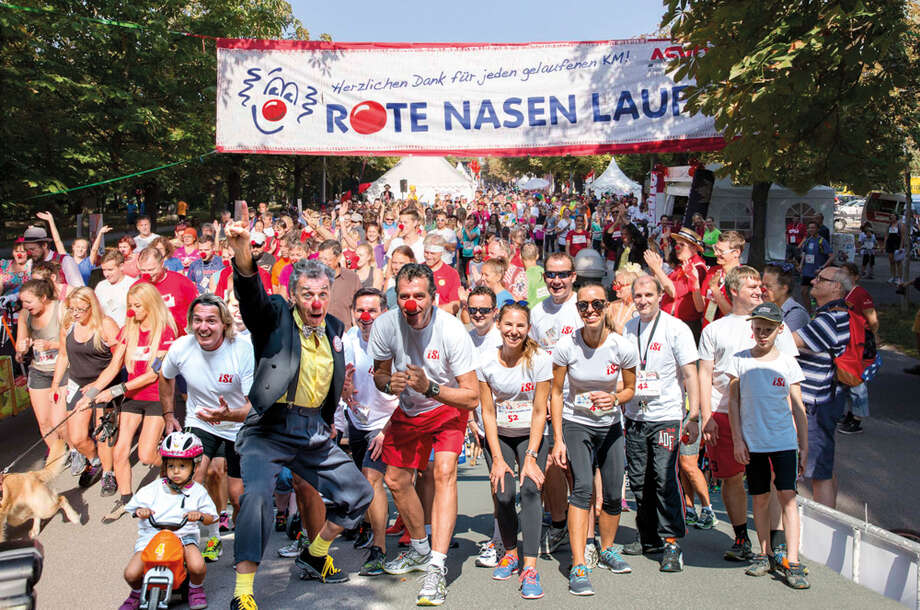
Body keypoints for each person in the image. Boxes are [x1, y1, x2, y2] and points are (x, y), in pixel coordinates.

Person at [226, 222, 372, 609]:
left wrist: (335, 397)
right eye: (307, 294)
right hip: (270, 429)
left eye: (323, 293)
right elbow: (250, 295)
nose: (316, 301)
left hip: (312, 431)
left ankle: (315, 551)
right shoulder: (275, 316)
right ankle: (242, 594)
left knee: (358, 494)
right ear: (294, 296)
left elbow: (328, 373)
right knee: (256, 498)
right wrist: (244, 255)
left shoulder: (336, 328)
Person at [369, 263, 478, 606]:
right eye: (404, 296)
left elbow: (471, 395)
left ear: (433, 297)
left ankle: (437, 566)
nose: (411, 303)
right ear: (396, 297)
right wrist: (389, 383)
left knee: (444, 473)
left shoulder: (451, 331)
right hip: (410, 409)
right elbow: (380, 375)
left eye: (419, 295)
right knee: (396, 480)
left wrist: (430, 387)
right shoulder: (386, 325)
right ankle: (419, 547)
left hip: (446, 407)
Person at [698, 266, 799, 561]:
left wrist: (792, 420)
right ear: (733, 291)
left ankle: (775, 543)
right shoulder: (714, 329)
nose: (759, 291)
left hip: (769, 418)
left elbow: (791, 378)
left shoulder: (777, 325)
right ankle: (742, 537)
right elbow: (704, 374)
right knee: (731, 478)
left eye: (760, 286)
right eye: (752, 287)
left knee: (772, 484)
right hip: (724, 412)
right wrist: (705, 416)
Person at [550, 280, 638, 595]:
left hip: (611, 425)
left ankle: (608, 549)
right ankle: (578, 565)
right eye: (584, 305)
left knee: (613, 493)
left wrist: (615, 399)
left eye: (597, 304)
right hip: (577, 424)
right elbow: (556, 392)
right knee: (583, 489)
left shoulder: (622, 346)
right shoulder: (566, 345)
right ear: (578, 309)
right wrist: (558, 438)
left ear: (606, 307)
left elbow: (630, 388)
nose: (590, 310)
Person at [159, 294, 254, 563]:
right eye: (197, 320)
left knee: (238, 496)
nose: (203, 327)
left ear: (224, 323)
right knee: (196, 478)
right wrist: (168, 415)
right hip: (201, 420)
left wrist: (229, 415)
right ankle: (210, 536)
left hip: (239, 424)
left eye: (211, 321)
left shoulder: (242, 350)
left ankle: (240, 531)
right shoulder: (181, 347)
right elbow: (165, 377)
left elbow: (253, 406)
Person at [76, 281, 177, 522]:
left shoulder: (165, 331)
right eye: (130, 306)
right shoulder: (128, 329)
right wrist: (91, 396)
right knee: (120, 451)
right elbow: (113, 366)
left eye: (137, 306)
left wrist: (116, 391)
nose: (132, 311)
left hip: (156, 396)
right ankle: (126, 500)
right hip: (133, 398)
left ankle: (179, 472)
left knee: (145, 454)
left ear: (151, 304)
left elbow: (155, 374)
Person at [726, 302, 810, 589]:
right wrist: (738, 440)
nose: (762, 334)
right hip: (754, 443)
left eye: (768, 329)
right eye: (758, 329)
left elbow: (798, 407)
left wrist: (804, 445)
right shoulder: (739, 360)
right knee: (760, 498)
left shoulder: (787, 362)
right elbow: (734, 403)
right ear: (752, 329)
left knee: (788, 497)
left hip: (784, 441)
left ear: (779, 330)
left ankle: (793, 560)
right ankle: (765, 554)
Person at [621, 275, 700, 572]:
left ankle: (671, 543)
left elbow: (690, 374)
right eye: (638, 295)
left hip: (666, 415)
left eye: (648, 295)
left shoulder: (675, 328)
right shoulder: (629, 327)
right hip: (635, 416)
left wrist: (693, 415)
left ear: (659, 296)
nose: (643, 300)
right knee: (640, 479)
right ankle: (648, 535)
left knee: (664, 478)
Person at [478, 303, 551, 599]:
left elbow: (538, 411)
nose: (514, 331)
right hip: (499, 437)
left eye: (520, 326)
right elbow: (487, 411)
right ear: (499, 324)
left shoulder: (541, 359)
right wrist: (496, 458)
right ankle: (510, 553)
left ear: (528, 329)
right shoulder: (485, 360)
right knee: (504, 493)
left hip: (530, 435)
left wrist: (531, 458)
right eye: (508, 324)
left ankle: (530, 566)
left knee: (532, 490)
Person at [119, 432, 217, 610]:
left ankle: (195, 589)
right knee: (131, 573)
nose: (176, 471)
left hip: (183, 536)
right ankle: (136, 592)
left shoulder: (198, 491)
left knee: (197, 565)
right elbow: (132, 508)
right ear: (164, 465)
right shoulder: (153, 489)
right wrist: (141, 511)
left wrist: (200, 515)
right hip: (152, 536)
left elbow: (211, 517)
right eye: (171, 466)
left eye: (182, 466)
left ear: (194, 466)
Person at [341, 288, 399, 577]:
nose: (365, 317)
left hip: (387, 420)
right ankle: (371, 526)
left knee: (372, 478)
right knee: (365, 484)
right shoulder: (347, 339)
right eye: (360, 310)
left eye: (372, 310)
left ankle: (380, 549)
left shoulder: (394, 341)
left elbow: (407, 391)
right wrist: (344, 390)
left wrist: (388, 428)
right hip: (357, 420)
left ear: (383, 312)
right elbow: (341, 378)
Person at [792, 266, 851, 508]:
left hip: (817, 403)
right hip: (824, 400)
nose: (814, 281)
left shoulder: (831, 319)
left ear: (836, 287)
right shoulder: (833, 314)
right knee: (824, 466)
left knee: (819, 472)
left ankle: (824, 527)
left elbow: (789, 341)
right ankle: (828, 518)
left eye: (821, 279)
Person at [50, 287, 119, 491]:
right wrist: (56, 383)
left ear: (92, 306)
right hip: (78, 384)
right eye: (72, 309)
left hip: (104, 384)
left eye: (80, 309)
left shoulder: (106, 325)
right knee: (77, 437)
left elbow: (118, 360)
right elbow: (63, 355)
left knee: (102, 433)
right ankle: (95, 461)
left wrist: (97, 386)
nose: (76, 314)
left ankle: (108, 473)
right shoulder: (69, 325)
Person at [15, 278, 66, 450]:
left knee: (59, 422)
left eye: (29, 301)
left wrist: (51, 345)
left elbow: (74, 344)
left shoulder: (61, 309)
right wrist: (22, 348)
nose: (25, 305)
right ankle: (56, 456)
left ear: (43, 297)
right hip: (39, 370)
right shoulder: (25, 314)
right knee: (44, 422)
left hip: (63, 368)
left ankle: (75, 451)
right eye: (22, 301)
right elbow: (20, 345)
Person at [644, 228, 706, 338]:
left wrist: (658, 269)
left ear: (694, 248)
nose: (677, 248)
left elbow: (674, 292)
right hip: (671, 321)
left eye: (682, 245)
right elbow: (662, 286)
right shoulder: (681, 266)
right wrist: (655, 270)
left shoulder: (697, 268)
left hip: (684, 324)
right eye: (677, 244)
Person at [135, 247, 199, 337]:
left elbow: (198, 308)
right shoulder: (137, 288)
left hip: (181, 337)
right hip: (152, 338)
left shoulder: (181, 282)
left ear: (162, 264)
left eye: (151, 270)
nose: (147, 274)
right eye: (143, 270)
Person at [701, 230, 746, 327]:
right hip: (708, 329)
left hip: (728, 332)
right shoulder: (712, 272)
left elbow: (734, 317)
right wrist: (694, 283)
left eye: (721, 251)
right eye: (715, 248)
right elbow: (701, 305)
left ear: (736, 253)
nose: (716, 254)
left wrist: (715, 290)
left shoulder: (744, 278)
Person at [316, 240, 363, 330]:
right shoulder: (313, 278)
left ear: (338, 257)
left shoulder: (352, 278)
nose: (323, 263)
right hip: (320, 332)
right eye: (320, 259)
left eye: (327, 259)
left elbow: (359, 305)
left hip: (345, 332)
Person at [762, 264, 811, 332]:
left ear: (784, 289)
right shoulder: (767, 308)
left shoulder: (796, 314)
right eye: (762, 285)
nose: (762, 289)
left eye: (768, 286)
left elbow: (789, 341)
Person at [422, 234, 462, 315]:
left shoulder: (452, 274)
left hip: (444, 321)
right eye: (426, 252)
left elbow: (455, 306)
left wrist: (432, 309)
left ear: (441, 253)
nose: (429, 256)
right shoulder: (417, 270)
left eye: (433, 253)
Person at [94, 251, 135, 326]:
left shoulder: (133, 285)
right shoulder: (100, 286)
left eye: (110, 270)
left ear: (121, 266)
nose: (106, 274)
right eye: (104, 270)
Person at [798, 221, 832, 309]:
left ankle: (818, 312)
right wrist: (801, 265)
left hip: (817, 272)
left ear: (817, 229)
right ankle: (809, 312)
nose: (811, 229)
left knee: (818, 294)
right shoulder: (808, 240)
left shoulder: (822, 241)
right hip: (807, 271)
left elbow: (832, 256)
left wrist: (822, 268)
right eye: (809, 228)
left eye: (813, 228)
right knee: (803, 292)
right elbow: (804, 254)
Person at [606, 265, 641, 335]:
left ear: (632, 286)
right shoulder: (612, 306)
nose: (615, 288)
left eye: (620, 285)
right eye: (615, 283)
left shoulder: (641, 307)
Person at [520, 243, 548, 307]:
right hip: (546, 309)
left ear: (520, 257)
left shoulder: (522, 277)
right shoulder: (545, 272)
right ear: (537, 256)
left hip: (530, 311)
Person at [459, 215, 481, 282]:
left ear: (475, 221)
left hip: (473, 254)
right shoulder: (464, 229)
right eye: (469, 219)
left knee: (473, 273)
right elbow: (460, 238)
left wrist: (465, 228)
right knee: (466, 273)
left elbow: (470, 238)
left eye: (472, 219)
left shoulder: (477, 229)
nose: (470, 221)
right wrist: (461, 228)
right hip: (465, 253)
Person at [884, 215, 904, 284]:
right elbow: (886, 235)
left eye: (893, 217)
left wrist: (901, 246)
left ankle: (900, 278)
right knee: (891, 261)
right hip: (890, 244)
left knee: (898, 261)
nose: (891, 218)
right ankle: (893, 276)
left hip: (897, 244)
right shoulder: (889, 225)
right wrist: (884, 245)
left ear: (896, 218)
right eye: (890, 217)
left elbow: (902, 236)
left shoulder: (899, 225)